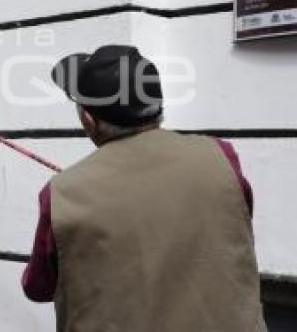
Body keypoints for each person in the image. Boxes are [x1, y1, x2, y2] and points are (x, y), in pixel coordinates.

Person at [22, 45, 266, 332]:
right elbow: (237, 220)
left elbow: (37, 287)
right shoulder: (221, 156)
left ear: (88, 120)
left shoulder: (62, 194)